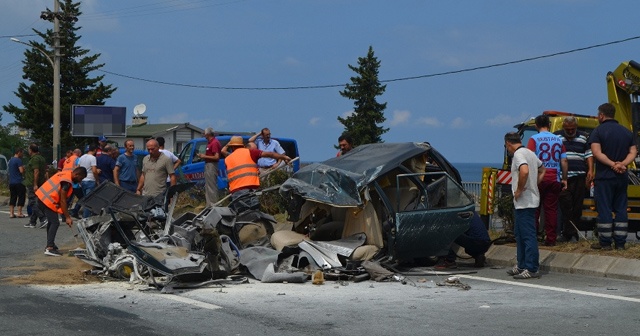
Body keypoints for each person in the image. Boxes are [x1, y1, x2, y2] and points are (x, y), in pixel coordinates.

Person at [589, 103, 636, 250]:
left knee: (604, 209)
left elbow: (597, 153)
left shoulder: (597, 132)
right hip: (621, 177)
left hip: (604, 177)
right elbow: (633, 152)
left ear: (602, 115)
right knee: (621, 209)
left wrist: (612, 164)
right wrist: (622, 164)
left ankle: (605, 243)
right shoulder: (627, 132)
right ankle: (621, 243)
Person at [505, 132, 545, 279]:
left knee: (527, 235)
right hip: (528, 200)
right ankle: (522, 264)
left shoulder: (518, 155)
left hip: (525, 201)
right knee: (520, 234)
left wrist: (519, 190)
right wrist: (535, 184)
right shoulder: (530, 153)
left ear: (508, 143)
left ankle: (532, 267)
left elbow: (524, 170)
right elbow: (542, 169)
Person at [526, 114, 568, 246]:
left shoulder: (533, 139)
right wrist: (565, 178)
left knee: (534, 208)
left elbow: (529, 158)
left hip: (538, 178)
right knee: (551, 210)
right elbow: (564, 160)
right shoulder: (558, 140)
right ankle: (551, 238)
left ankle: (533, 237)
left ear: (536, 126)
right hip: (554, 177)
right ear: (549, 125)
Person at [554, 116, 594, 242]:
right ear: (563, 127)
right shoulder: (557, 137)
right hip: (563, 178)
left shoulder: (583, 137)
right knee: (566, 205)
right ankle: (568, 233)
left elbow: (588, 155)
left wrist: (591, 170)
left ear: (576, 128)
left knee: (577, 207)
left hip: (579, 176)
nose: (570, 132)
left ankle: (571, 233)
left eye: (572, 129)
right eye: (568, 129)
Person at [221, 136, 291, 206]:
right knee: (254, 211)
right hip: (251, 189)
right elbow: (270, 154)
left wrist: (229, 144)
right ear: (243, 145)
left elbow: (223, 151)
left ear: (232, 147)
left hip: (236, 191)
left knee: (241, 213)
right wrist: (283, 157)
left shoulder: (228, 158)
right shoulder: (250, 152)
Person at [36, 166, 87, 256]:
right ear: (76, 174)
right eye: (80, 178)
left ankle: (50, 244)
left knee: (52, 222)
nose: (80, 181)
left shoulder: (64, 174)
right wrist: (67, 217)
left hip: (43, 198)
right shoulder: (66, 182)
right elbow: (63, 200)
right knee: (55, 223)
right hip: (47, 200)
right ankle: (49, 248)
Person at [23, 143, 48, 228]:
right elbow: (45, 172)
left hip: (32, 183)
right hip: (40, 183)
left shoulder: (35, 159)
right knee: (37, 203)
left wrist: (35, 184)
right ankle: (32, 222)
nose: (28, 151)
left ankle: (43, 218)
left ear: (31, 150)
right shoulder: (42, 158)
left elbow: (36, 171)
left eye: (29, 149)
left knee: (32, 202)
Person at [196, 128, 221, 206]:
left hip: (211, 165)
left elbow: (216, 157)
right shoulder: (210, 143)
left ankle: (214, 204)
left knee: (211, 185)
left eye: (204, 133)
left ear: (208, 134)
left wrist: (204, 156)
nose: (204, 135)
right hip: (208, 164)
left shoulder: (214, 143)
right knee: (208, 185)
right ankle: (209, 204)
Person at [78, 145, 99, 218]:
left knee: (85, 199)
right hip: (90, 180)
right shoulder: (93, 158)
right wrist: (97, 179)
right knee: (89, 200)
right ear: (95, 150)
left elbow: (78, 167)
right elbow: (94, 170)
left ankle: (86, 215)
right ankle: (86, 217)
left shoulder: (82, 157)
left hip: (83, 180)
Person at [8, 148, 26, 218]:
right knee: (21, 196)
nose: (22, 154)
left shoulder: (10, 160)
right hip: (19, 181)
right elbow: (21, 171)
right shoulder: (18, 160)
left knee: (13, 197)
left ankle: (11, 213)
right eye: (22, 153)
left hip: (11, 181)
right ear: (19, 152)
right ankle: (19, 212)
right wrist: (24, 168)